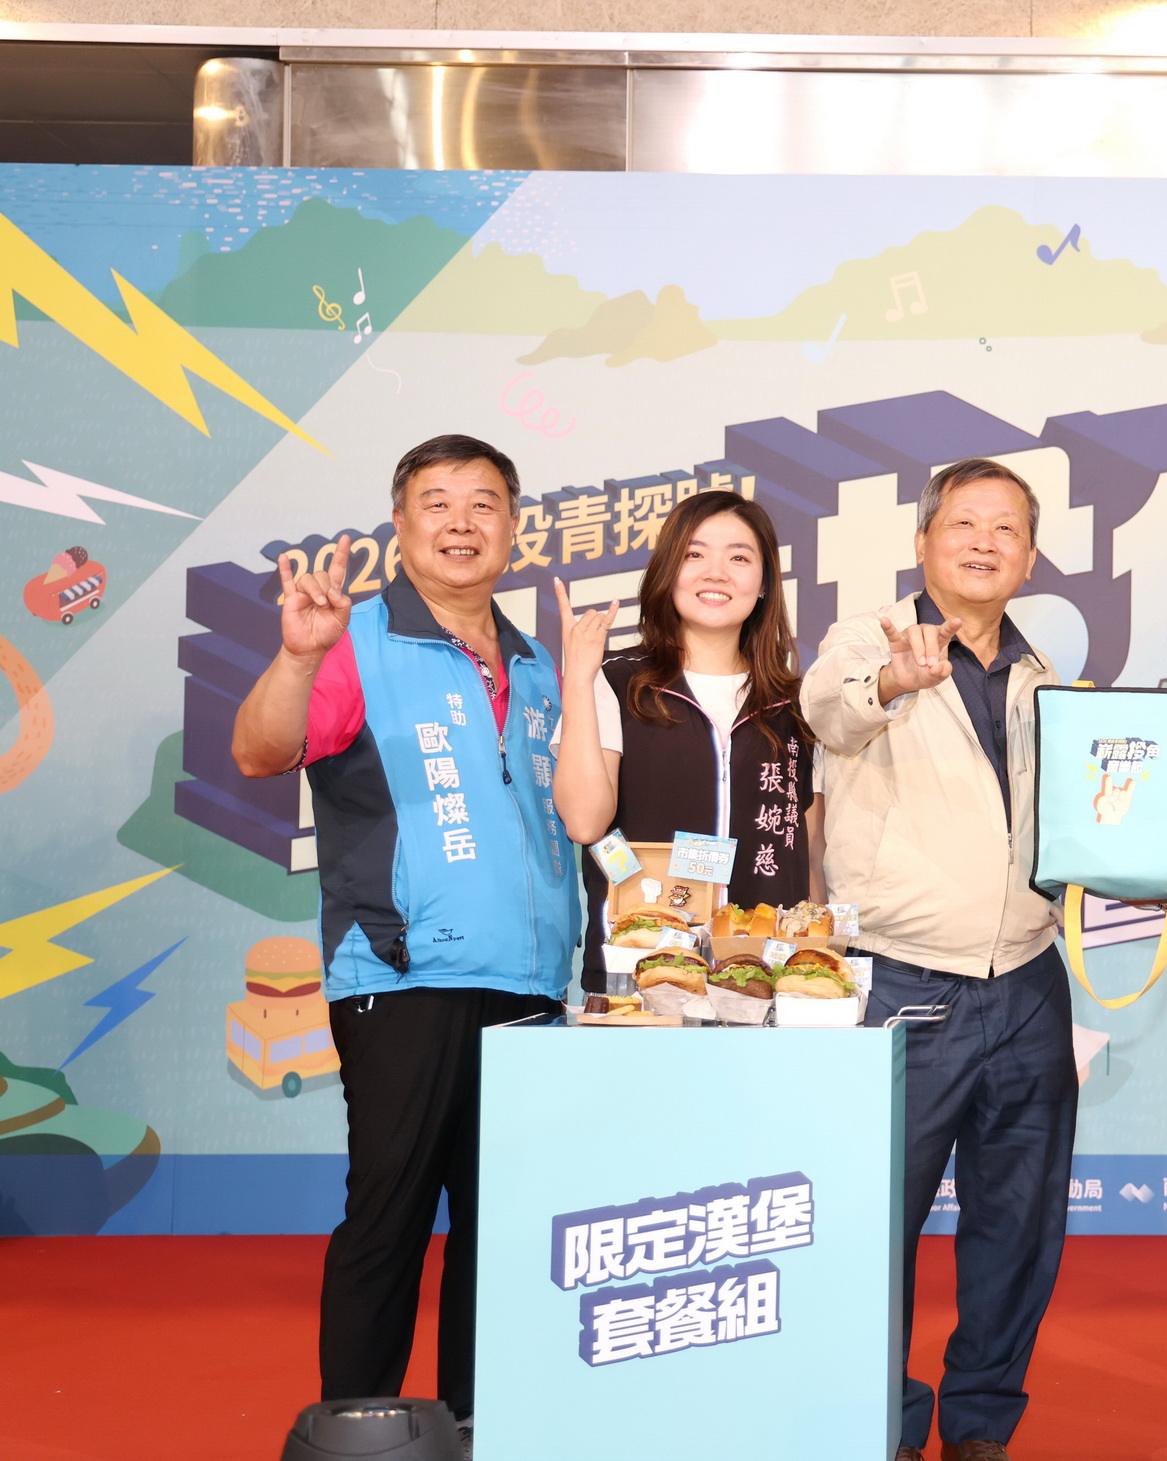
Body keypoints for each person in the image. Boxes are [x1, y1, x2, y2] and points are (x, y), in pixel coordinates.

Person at [231, 435, 578, 1441]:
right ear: (401, 524)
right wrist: (299, 654)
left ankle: (476, 1428)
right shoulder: (355, 638)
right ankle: (358, 1431)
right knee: (387, 1218)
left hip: (529, 984)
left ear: (513, 527)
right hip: (405, 974)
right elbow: (260, 750)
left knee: (497, 1232)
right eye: (438, 502)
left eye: (484, 503)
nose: (462, 523)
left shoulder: (536, 663)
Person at [802, 458, 1066, 1461]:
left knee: (1018, 1224)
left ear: (1030, 557)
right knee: (880, 1221)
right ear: (923, 542)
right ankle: (889, 1423)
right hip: (904, 979)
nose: (984, 542)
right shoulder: (866, 637)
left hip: (1028, 978)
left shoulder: (1046, 675)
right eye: (964, 524)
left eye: (1006, 529)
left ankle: (982, 1425)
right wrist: (891, 681)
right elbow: (829, 708)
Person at [551, 491, 822, 988]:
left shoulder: (796, 703)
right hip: (641, 976)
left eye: (739, 558)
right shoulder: (615, 680)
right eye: (695, 554)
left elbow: (810, 853)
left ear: (764, 583)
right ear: (668, 571)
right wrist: (578, 680)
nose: (716, 573)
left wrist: (813, 963)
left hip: (762, 980)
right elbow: (585, 822)